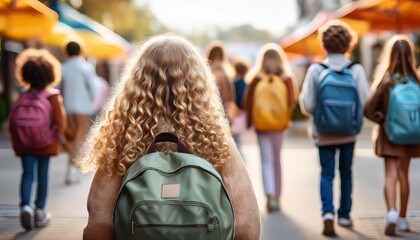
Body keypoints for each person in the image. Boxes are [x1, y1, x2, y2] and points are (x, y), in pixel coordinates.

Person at [76, 35, 261, 240]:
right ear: (198, 81)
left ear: (136, 80)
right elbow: (246, 224)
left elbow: (99, 221)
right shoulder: (214, 137)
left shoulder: (123, 136)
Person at [299, 20, 369, 236]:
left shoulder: (316, 70)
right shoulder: (356, 69)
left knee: (326, 173)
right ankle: (345, 215)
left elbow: (307, 104)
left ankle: (327, 213)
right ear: (348, 45)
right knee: (346, 173)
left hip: (324, 131)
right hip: (348, 132)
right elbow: (365, 102)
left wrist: (324, 114)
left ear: (324, 45)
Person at [364, 35, 420, 236]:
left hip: (390, 134)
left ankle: (391, 214)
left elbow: (369, 109)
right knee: (404, 175)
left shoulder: (386, 81)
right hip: (412, 135)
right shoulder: (417, 81)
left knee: (391, 174)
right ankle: (404, 220)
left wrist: (382, 119)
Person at [10, 49, 67, 230]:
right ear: (50, 73)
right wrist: (54, 137)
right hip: (45, 143)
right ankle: (40, 211)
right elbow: (60, 123)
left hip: (25, 143)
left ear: (25, 74)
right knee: (43, 176)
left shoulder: (22, 94)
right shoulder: (52, 96)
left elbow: (12, 120)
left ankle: (25, 206)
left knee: (27, 175)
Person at [243, 43, 297, 212]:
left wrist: (251, 122)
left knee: (266, 160)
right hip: (279, 126)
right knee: (276, 160)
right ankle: (278, 198)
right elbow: (291, 102)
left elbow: (247, 102)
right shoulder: (287, 79)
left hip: (262, 126)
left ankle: (270, 196)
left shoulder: (256, 79)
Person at [60, 41, 96, 185]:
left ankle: (72, 169)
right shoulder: (86, 67)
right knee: (79, 139)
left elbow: (59, 89)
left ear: (66, 52)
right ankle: (73, 170)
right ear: (80, 51)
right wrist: (90, 103)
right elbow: (93, 90)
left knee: (71, 139)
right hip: (83, 108)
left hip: (67, 108)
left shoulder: (63, 68)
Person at [205, 40, 237, 124]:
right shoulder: (225, 74)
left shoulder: (205, 73)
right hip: (222, 115)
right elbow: (230, 98)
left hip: (208, 114)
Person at [231, 57, 250, 152]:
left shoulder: (232, 83)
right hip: (242, 113)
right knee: (238, 137)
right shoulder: (246, 84)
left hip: (233, 112)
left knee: (235, 137)